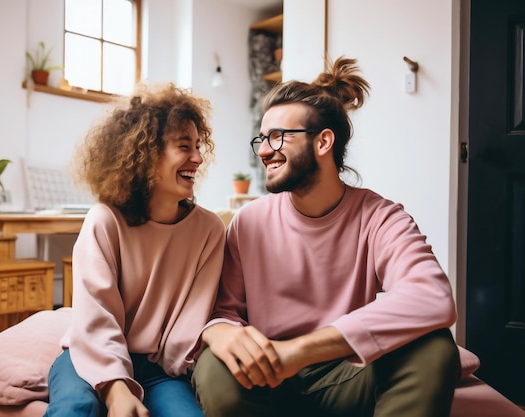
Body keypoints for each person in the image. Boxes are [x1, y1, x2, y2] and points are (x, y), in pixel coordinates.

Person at [192, 57, 461, 417]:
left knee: (436, 347)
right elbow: (224, 311)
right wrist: (219, 331)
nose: (263, 150)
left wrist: (299, 351)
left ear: (323, 142)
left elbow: (433, 298)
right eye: (261, 138)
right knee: (213, 367)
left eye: (277, 136)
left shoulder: (380, 217)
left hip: (346, 375)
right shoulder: (247, 222)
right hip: (266, 377)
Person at [44, 83, 226, 417]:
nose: (198, 158)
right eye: (184, 146)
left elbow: (188, 328)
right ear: (145, 154)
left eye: (198, 146)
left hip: (158, 372)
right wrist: (116, 389)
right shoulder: (105, 221)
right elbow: (96, 320)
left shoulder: (210, 230)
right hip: (88, 354)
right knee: (76, 408)